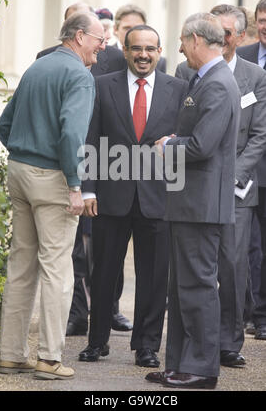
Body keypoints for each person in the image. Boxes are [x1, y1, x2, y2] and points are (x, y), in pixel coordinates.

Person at [0, 12, 105, 380]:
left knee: (21, 265)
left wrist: (25, 154)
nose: (102, 46)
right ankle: (48, 359)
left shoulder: (36, 67)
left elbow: (4, 125)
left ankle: (11, 354)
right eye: (98, 39)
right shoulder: (79, 75)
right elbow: (72, 135)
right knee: (58, 271)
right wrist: (75, 185)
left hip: (20, 171)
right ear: (78, 36)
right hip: (54, 179)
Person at [78, 24, 188, 366]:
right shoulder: (102, 85)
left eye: (150, 49)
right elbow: (91, 139)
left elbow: (182, 143)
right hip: (111, 194)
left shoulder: (179, 88)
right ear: (125, 51)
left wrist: (177, 194)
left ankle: (146, 346)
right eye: (137, 48)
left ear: (159, 52)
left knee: (154, 275)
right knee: (104, 272)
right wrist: (89, 188)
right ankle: (97, 342)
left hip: (159, 196)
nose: (143, 55)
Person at [147, 12, 240, 389]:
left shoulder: (217, 83)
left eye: (183, 41)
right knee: (182, 287)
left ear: (197, 40)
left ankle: (200, 369)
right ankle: (180, 364)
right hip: (191, 203)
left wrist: (168, 144)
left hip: (201, 206)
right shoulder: (206, 79)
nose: (180, 48)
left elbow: (202, 146)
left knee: (198, 287)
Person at [175, 5, 266, 366]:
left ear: (240, 37)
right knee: (198, 270)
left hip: (237, 188)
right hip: (198, 185)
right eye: (217, 30)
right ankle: (197, 344)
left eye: (228, 32)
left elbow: (259, 135)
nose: (222, 37)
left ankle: (229, 342)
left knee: (231, 266)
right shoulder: (188, 69)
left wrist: (232, 176)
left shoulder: (254, 75)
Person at [37, 2, 131, 336]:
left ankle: (110, 308)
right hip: (64, 164)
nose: (102, 42)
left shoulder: (115, 58)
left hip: (106, 162)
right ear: (74, 32)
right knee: (71, 249)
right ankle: (77, 314)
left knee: (107, 245)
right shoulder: (46, 58)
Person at [237, 0, 266, 340]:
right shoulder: (241, 58)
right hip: (243, 166)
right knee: (239, 243)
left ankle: (262, 314)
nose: (264, 26)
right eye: (261, 19)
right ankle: (242, 309)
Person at [113, 3, 167, 72]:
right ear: (115, 29)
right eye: (127, 28)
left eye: (137, 28)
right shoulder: (103, 58)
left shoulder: (158, 62)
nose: (132, 33)